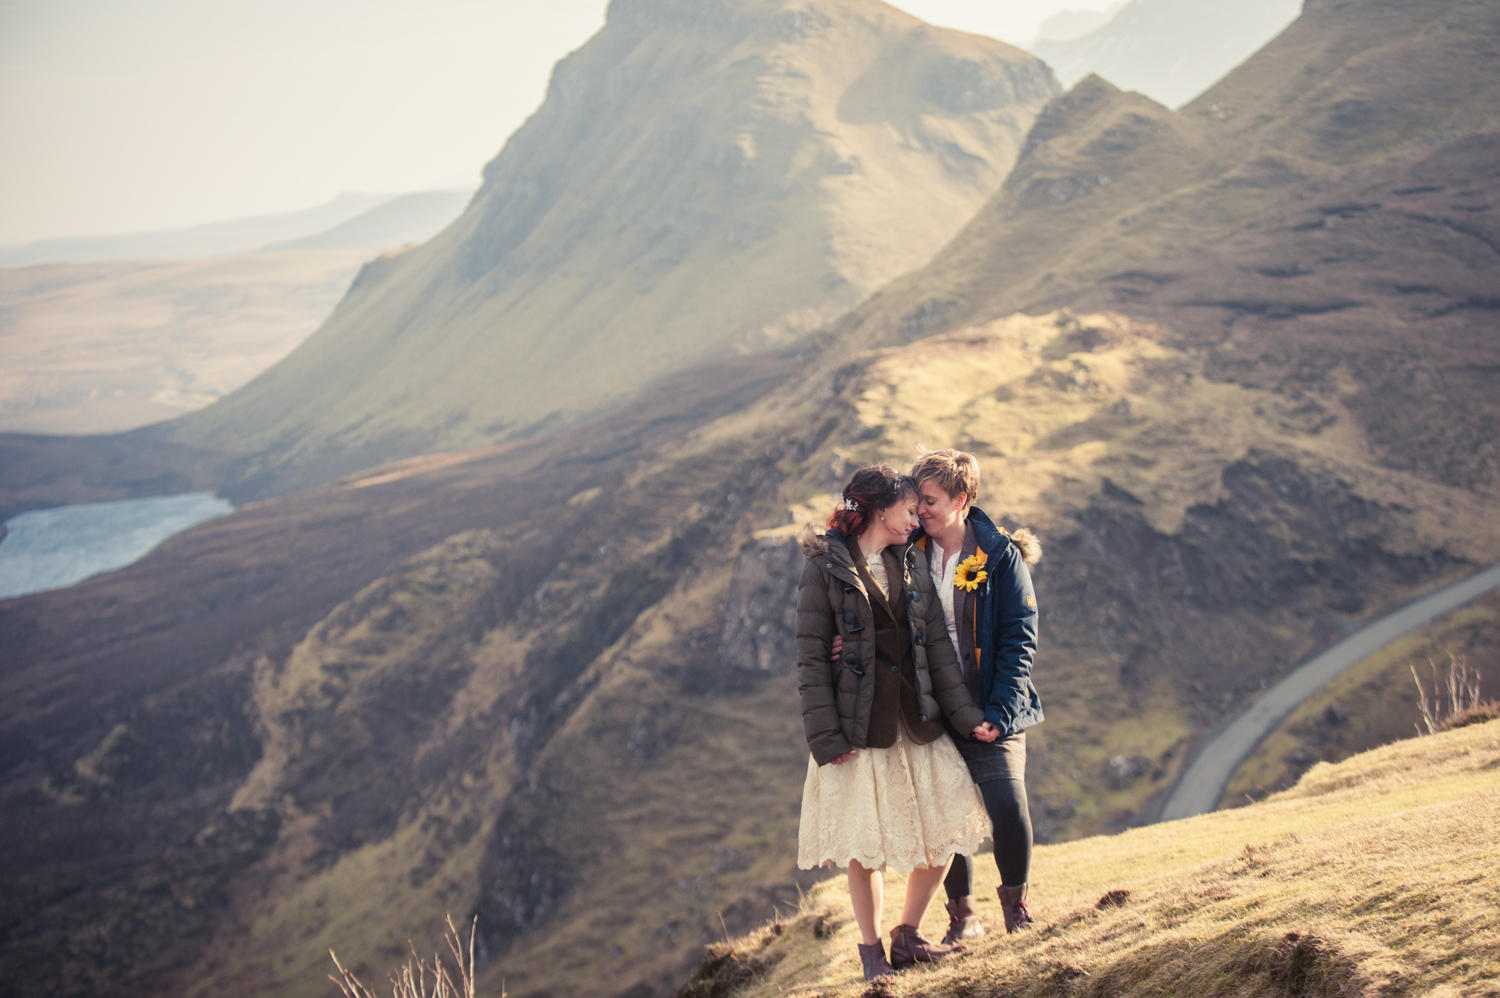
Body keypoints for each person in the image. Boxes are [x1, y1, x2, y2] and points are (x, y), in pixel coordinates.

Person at [795, 464, 999, 982]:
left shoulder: (908, 564)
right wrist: (827, 738)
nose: (916, 519)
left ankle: (907, 935)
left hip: (915, 721)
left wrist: (967, 718)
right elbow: (812, 659)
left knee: (951, 825)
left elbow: (936, 650)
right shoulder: (824, 569)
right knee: (868, 849)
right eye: (910, 509)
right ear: (879, 510)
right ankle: (871, 954)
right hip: (858, 730)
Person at [911, 448, 1043, 939]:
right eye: (917, 500)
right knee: (947, 816)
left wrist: (1001, 714)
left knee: (1007, 805)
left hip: (993, 706)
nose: (919, 510)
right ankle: (962, 918)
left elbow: (1019, 636)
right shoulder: (910, 553)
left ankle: (1016, 908)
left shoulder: (1000, 556)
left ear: (961, 498)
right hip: (933, 710)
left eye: (929, 500)